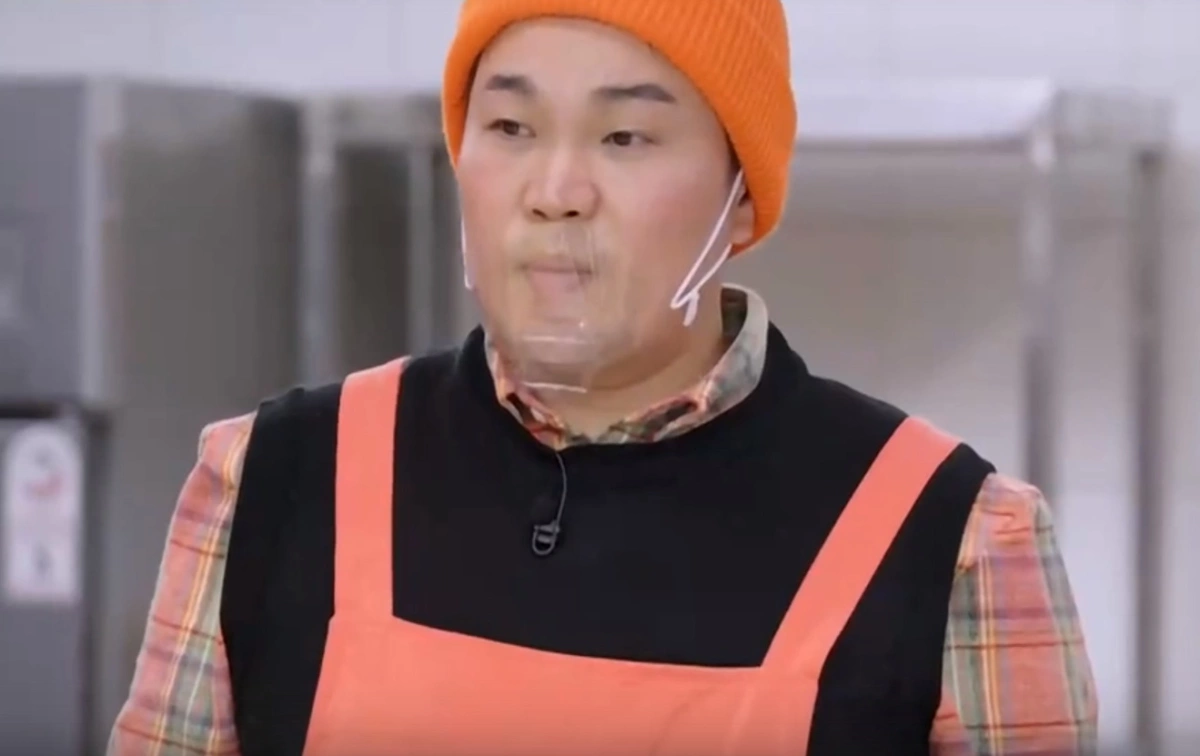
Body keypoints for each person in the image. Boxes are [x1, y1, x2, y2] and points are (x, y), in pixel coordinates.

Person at [109, 1, 1099, 754]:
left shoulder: (948, 539)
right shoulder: (270, 485)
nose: (554, 193)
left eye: (625, 137)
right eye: (510, 127)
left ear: (740, 197)